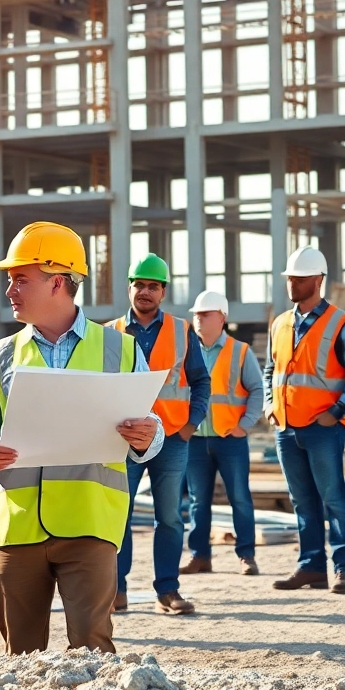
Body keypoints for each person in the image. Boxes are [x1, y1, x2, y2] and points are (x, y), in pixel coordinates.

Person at [0, 221, 164, 655]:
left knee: (93, 651)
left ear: (57, 282)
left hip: (90, 523)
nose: (10, 291)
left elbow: (151, 430)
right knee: (21, 656)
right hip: (17, 525)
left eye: (20, 279)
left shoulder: (121, 350)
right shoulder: (0, 355)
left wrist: (148, 435)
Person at [107, 253, 210, 615]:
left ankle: (167, 590)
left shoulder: (183, 331)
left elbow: (201, 382)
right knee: (118, 515)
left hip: (171, 441)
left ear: (163, 292)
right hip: (124, 441)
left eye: (152, 286)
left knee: (169, 516)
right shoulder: (110, 333)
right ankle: (115, 590)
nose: (145, 292)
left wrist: (189, 426)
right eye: (139, 285)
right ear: (130, 288)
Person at [265, 246, 345, 595]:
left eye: (299, 278)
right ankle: (311, 567)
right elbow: (272, 370)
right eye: (290, 278)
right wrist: (270, 405)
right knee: (302, 501)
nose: (292, 283)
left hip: (322, 427)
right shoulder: (280, 323)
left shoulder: (341, 323)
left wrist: (335, 413)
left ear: (318, 280)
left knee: (333, 497)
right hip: (286, 427)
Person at [180, 290, 264, 576]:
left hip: (231, 438)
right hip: (195, 439)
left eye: (205, 314)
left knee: (239, 497)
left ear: (222, 318)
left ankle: (246, 556)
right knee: (198, 501)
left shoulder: (240, 351)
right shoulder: (185, 351)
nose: (198, 319)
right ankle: (200, 556)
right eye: (196, 314)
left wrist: (245, 424)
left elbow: (256, 389)